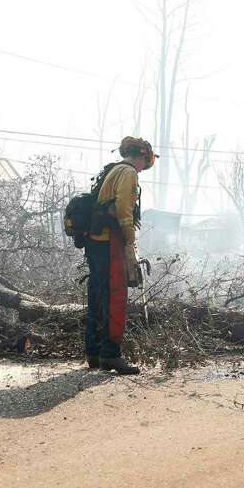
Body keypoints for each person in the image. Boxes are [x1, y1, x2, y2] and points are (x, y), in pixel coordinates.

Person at [84, 136, 155, 375]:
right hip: (110, 242)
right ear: (142, 156)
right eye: (146, 163)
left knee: (97, 295)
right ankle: (111, 355)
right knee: (114, 298)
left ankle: (94, 353)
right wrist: (130, 244)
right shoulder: (128, 173)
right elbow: (125, 211)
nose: (144, 168)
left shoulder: (113, 170)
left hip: (97, 242)